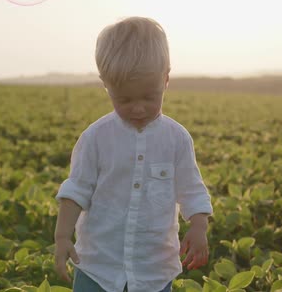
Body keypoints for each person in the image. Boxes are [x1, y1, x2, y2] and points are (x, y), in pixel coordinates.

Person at [54, 16, 213, 292]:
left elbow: (192, 190)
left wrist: (199, 228)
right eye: (125, 99)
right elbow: (76, 190)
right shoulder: (95, 138)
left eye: (149, 97)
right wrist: (62, 236)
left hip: (153, 271)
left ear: (166, 79)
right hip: (98, 267)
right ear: (106, 85)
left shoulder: (177, 140)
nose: (138, 108)